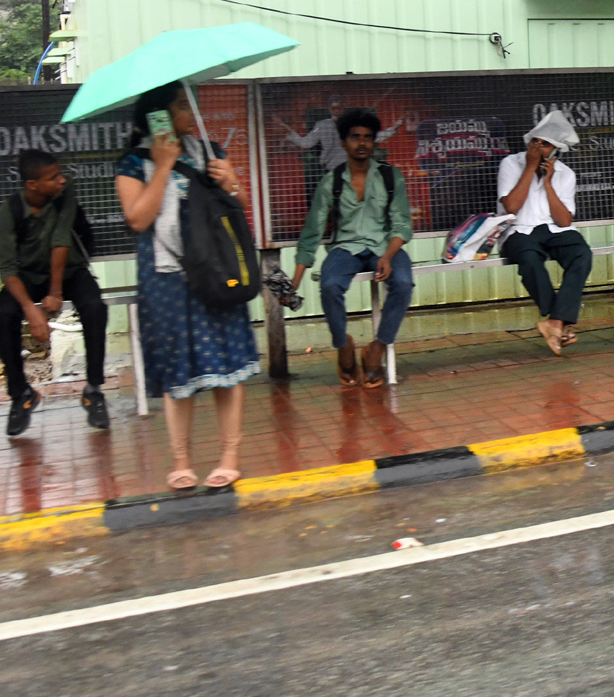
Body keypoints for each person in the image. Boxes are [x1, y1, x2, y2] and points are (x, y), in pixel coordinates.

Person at [116, 82, 259, 491]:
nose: (189, 113)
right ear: (157, 115)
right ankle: (181, 460)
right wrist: (162, 166)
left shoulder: (209, 151)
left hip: (215, 270)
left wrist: (231, 181)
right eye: (180, 106)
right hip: (166, 279)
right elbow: (138, 219)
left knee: (227, 366)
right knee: (179, 369)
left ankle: (230, 455)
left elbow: (239, 205)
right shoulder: (132, 163)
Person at [292, 109, 415, 388]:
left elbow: (402, 225)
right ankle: (343, 346)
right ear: (344, 141)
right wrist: (295, 282)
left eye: (368, 138)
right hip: (345, 249)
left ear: (374, 143)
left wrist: (387, 256)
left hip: (385, 247)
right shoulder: (330, 182)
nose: (362, 143)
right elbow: (311, 234)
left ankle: (378, 348)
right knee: (330, 284)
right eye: (355, 137)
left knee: (404, 283)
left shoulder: (390, 176)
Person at [1, 150, 109, 437]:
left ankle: (94, 390)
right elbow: (7, 268)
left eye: (60, 174)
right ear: (32, 185)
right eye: (53, 178)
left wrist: (55, 292)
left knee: (95, 307)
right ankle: (21, 393)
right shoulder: (9, 210)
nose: (62, 180)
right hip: (29, 275)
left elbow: (61, 240)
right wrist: (30, 308)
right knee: (3, 313)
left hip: (69, 270)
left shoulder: (64, 193)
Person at [497, 110, 592, 356]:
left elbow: (563, 220)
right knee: (529, 259)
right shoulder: (510, 163)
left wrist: (548, 183)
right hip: (519, 230)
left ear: (556, 152)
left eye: (545, 145)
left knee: (582, 254)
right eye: (534, 142)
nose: (538, 148)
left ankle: (555, 323)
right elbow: (512, 207)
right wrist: (530, 168)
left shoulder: (565, 174)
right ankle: (559, 322)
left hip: (554, 230)